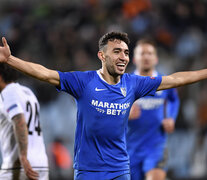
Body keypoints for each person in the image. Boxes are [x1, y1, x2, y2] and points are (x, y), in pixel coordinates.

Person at [0, 31, 207, 180]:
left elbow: (175, 79)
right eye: (117, 51)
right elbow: (45, 74)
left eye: (126, 52)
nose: (123, 57)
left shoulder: (133, 83)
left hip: (120, 169)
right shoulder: (83, 82)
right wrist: (10, 60)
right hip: (88, 171)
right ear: (102, 56)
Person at [127, 39, 180, 180]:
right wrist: (124, 112)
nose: (146, 57)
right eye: (142, 53)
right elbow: (108, 112)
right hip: (129, 149)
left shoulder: (164, 82)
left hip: (156, 146)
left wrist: (171, 117)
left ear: (155, 59)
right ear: (134, 59)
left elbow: (174, 100)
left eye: (150, 53)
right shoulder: (124, 84)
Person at [0, 64, 49, 180]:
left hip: (19, 164)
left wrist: (23, 156)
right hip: (41, 163)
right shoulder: (28, 92)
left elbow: (19, 120)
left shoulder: (7, 93)